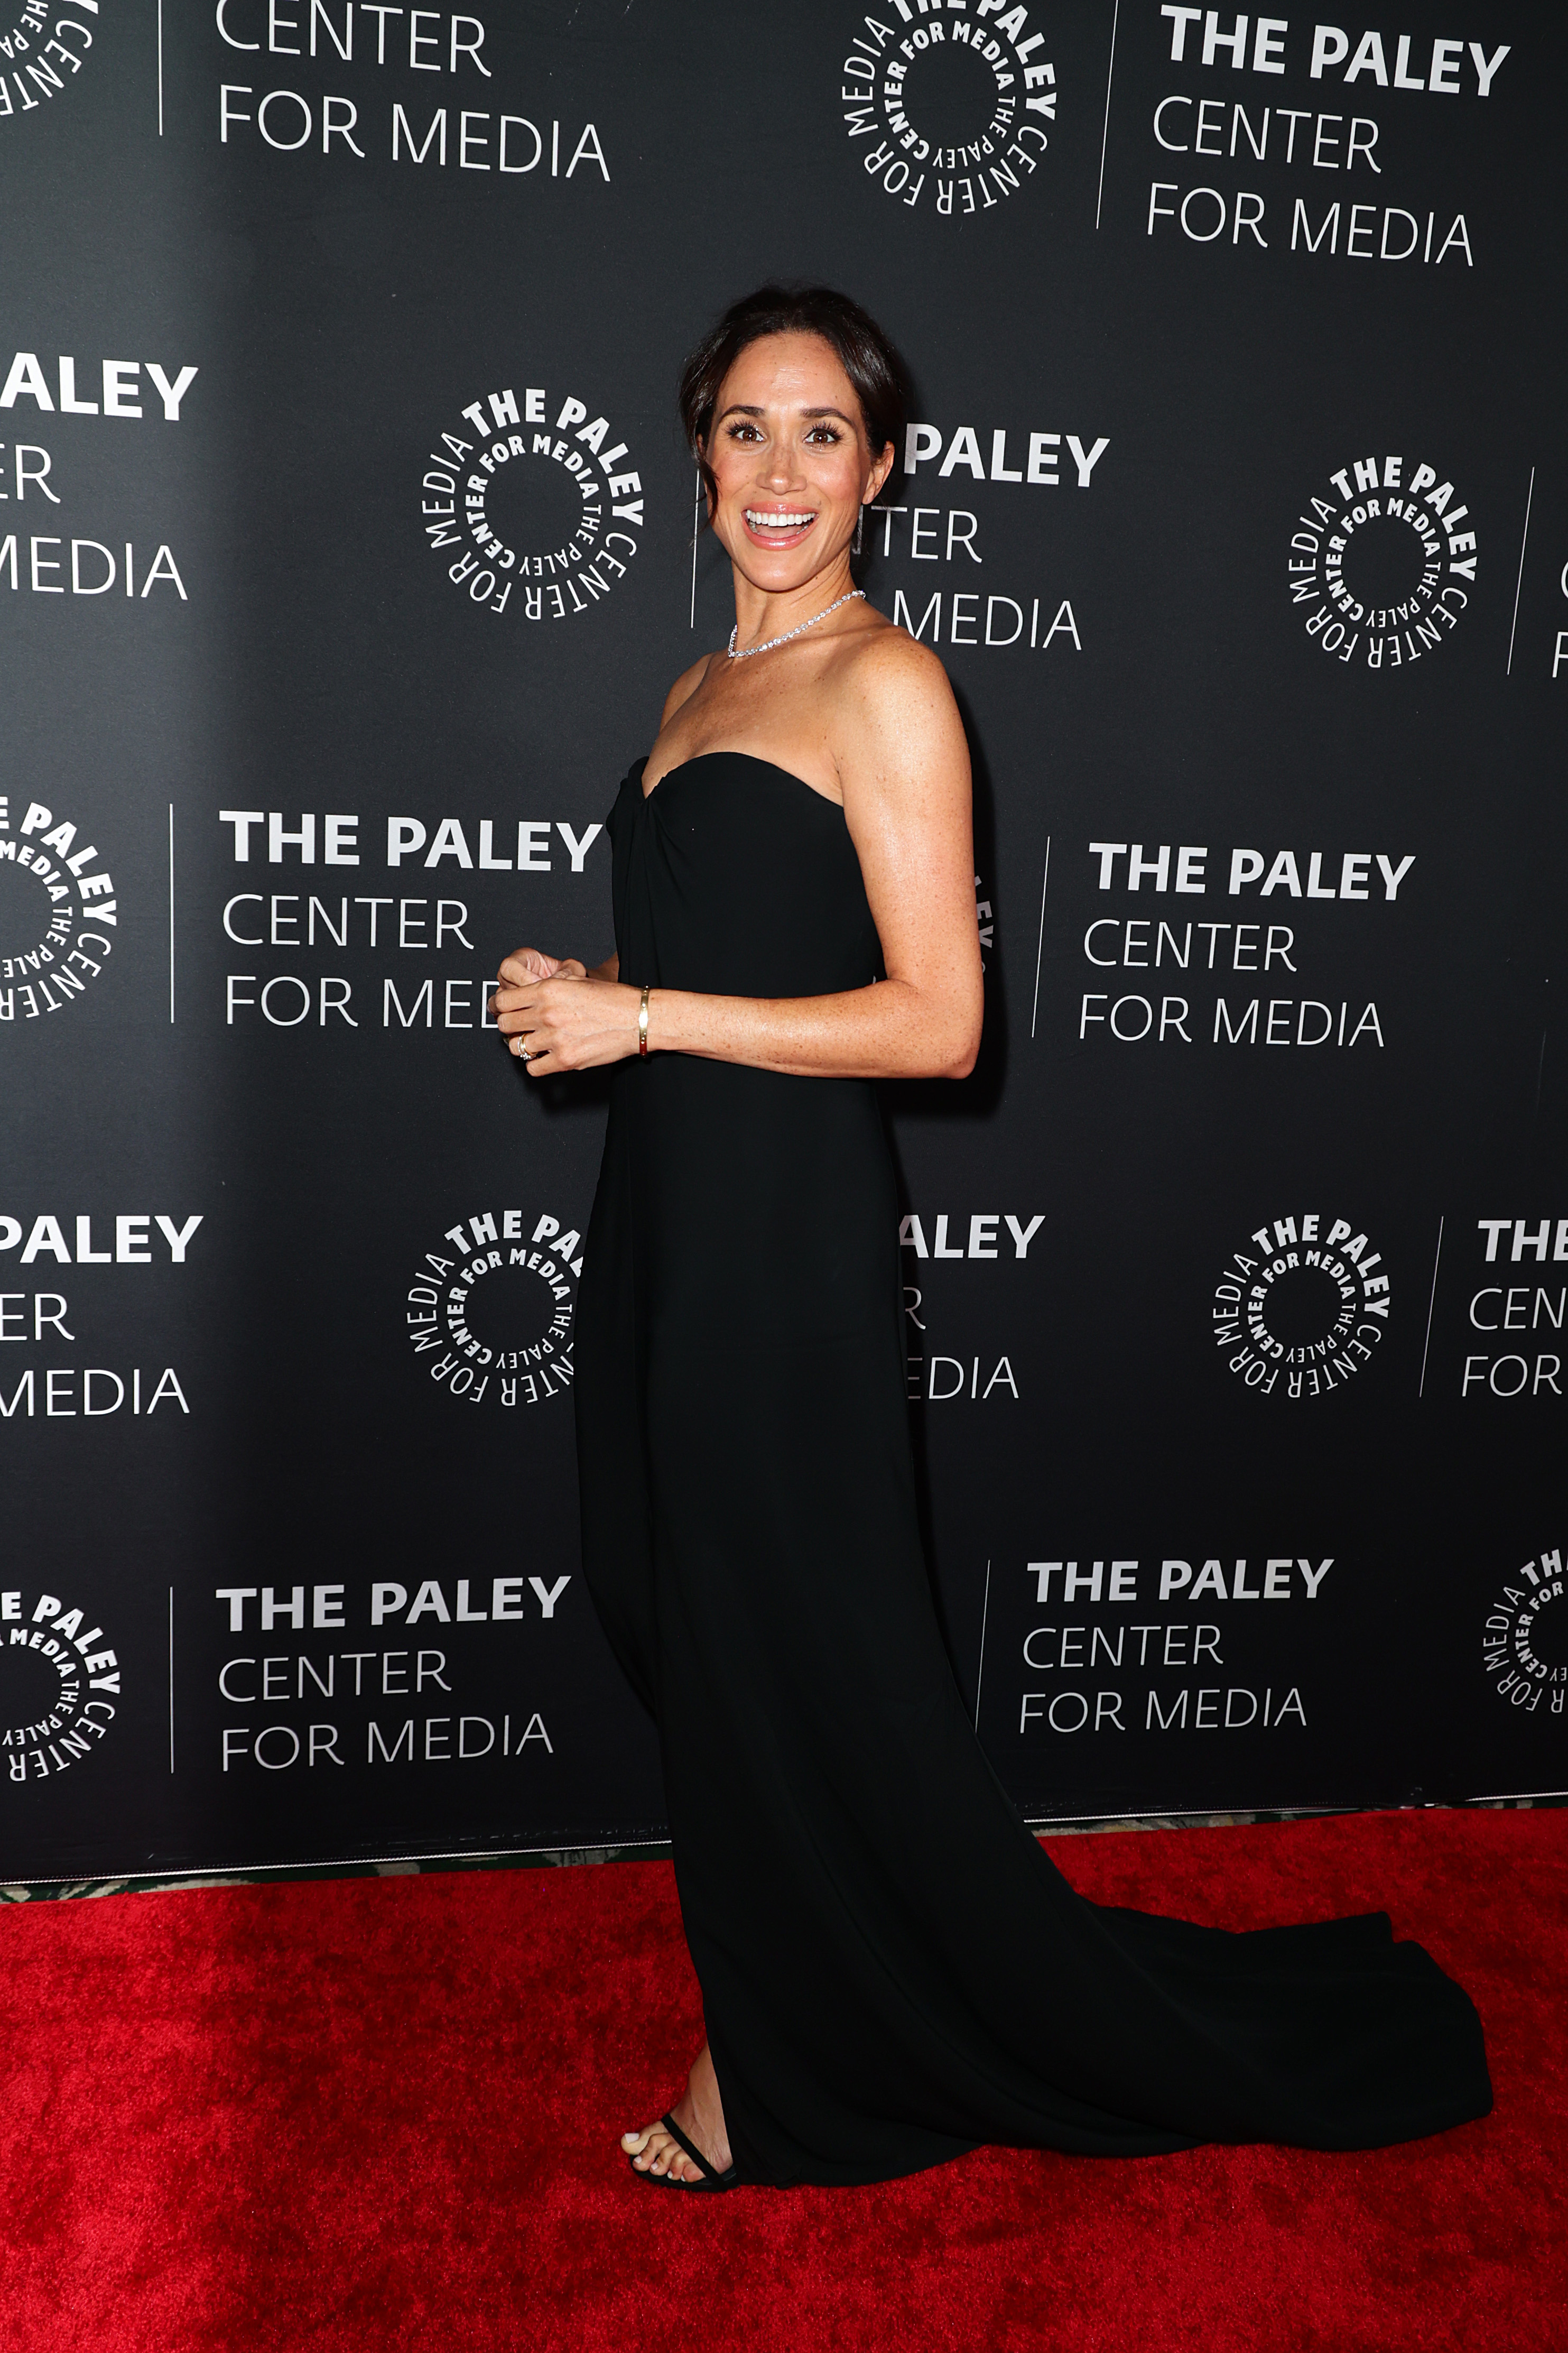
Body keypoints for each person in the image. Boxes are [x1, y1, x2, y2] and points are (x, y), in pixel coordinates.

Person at [490, 284, 1492, 2193]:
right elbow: (751, 960)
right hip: (671, 1227)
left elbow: (941, 1021)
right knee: (684, 1617)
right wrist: (597, 985)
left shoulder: (888, 681)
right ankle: (841, 1988)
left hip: (782, 1263)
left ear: (882, 466)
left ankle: (771, 2065)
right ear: (697, 453)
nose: (781, 472)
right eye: (746, 430)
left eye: (823, 435)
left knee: (788, 1654)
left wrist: (651, 1020)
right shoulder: (703, 684)